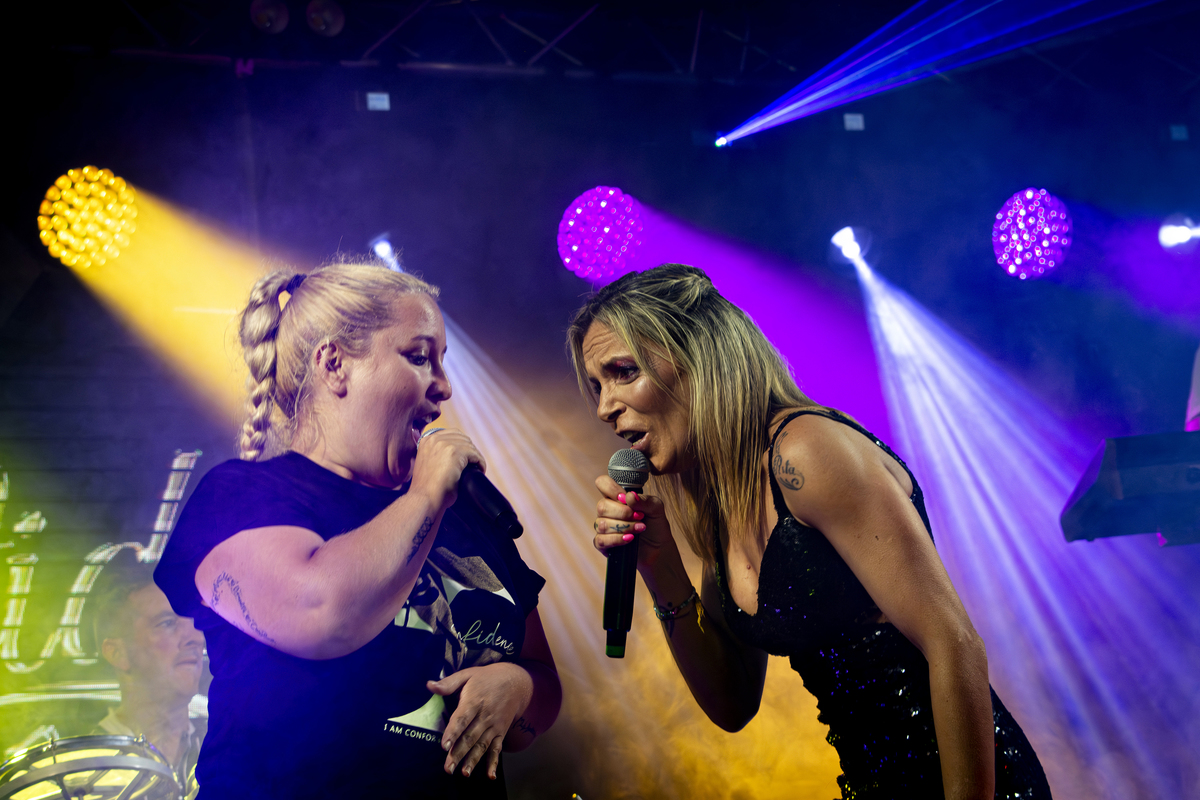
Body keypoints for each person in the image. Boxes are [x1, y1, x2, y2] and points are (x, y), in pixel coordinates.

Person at [568, 263, 1051, 800]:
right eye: (596, 386)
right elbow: (732, 705)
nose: (605, 407)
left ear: (696, 357)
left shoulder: (805, 452)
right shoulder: (722, 504)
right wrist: (659, 567)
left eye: (623, 372)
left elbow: (954, 644)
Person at [155, 262, 561, 799]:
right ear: (335, 364)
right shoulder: (239, 496)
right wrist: (423, 497)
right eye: (418, 357)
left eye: (442, 361)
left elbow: (542, 686)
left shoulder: (463, 513)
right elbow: (322, 615)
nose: (444, 386)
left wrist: (519, 686)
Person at [91, 557, 206, 795]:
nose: (196, 638)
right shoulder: (83, 769)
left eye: (195, 623)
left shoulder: (226, 747)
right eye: (167, 623)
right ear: (117, 653)